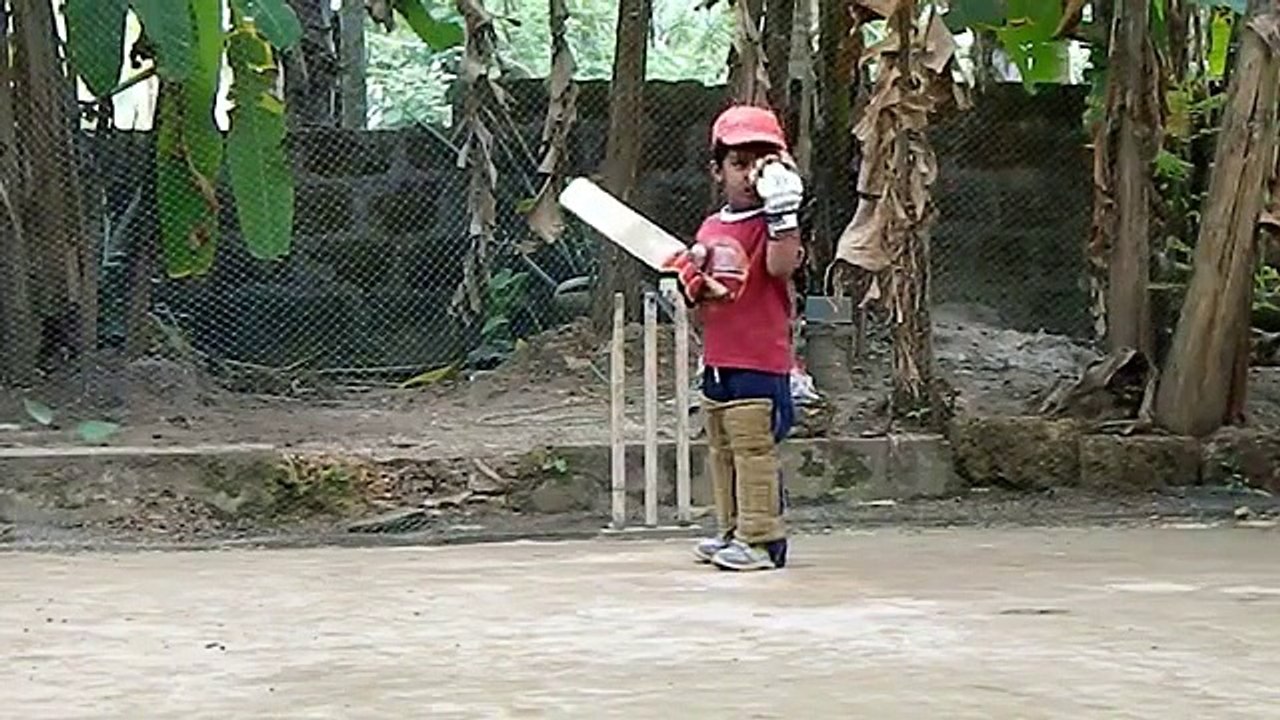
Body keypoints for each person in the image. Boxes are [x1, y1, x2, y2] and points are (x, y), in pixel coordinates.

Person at [663, 104, 805, 572]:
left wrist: (783, 213)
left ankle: (763, 542)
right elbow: (706, 294)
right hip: (720, 357)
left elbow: (781, 267)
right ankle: (731, 530)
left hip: (761, 359)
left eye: (761, 165)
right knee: (722, 448)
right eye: (738, 164)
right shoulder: (712, 226)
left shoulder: (774, 225)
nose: (748, 176)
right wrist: (688, 285)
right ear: (717, 170)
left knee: (753, 449)